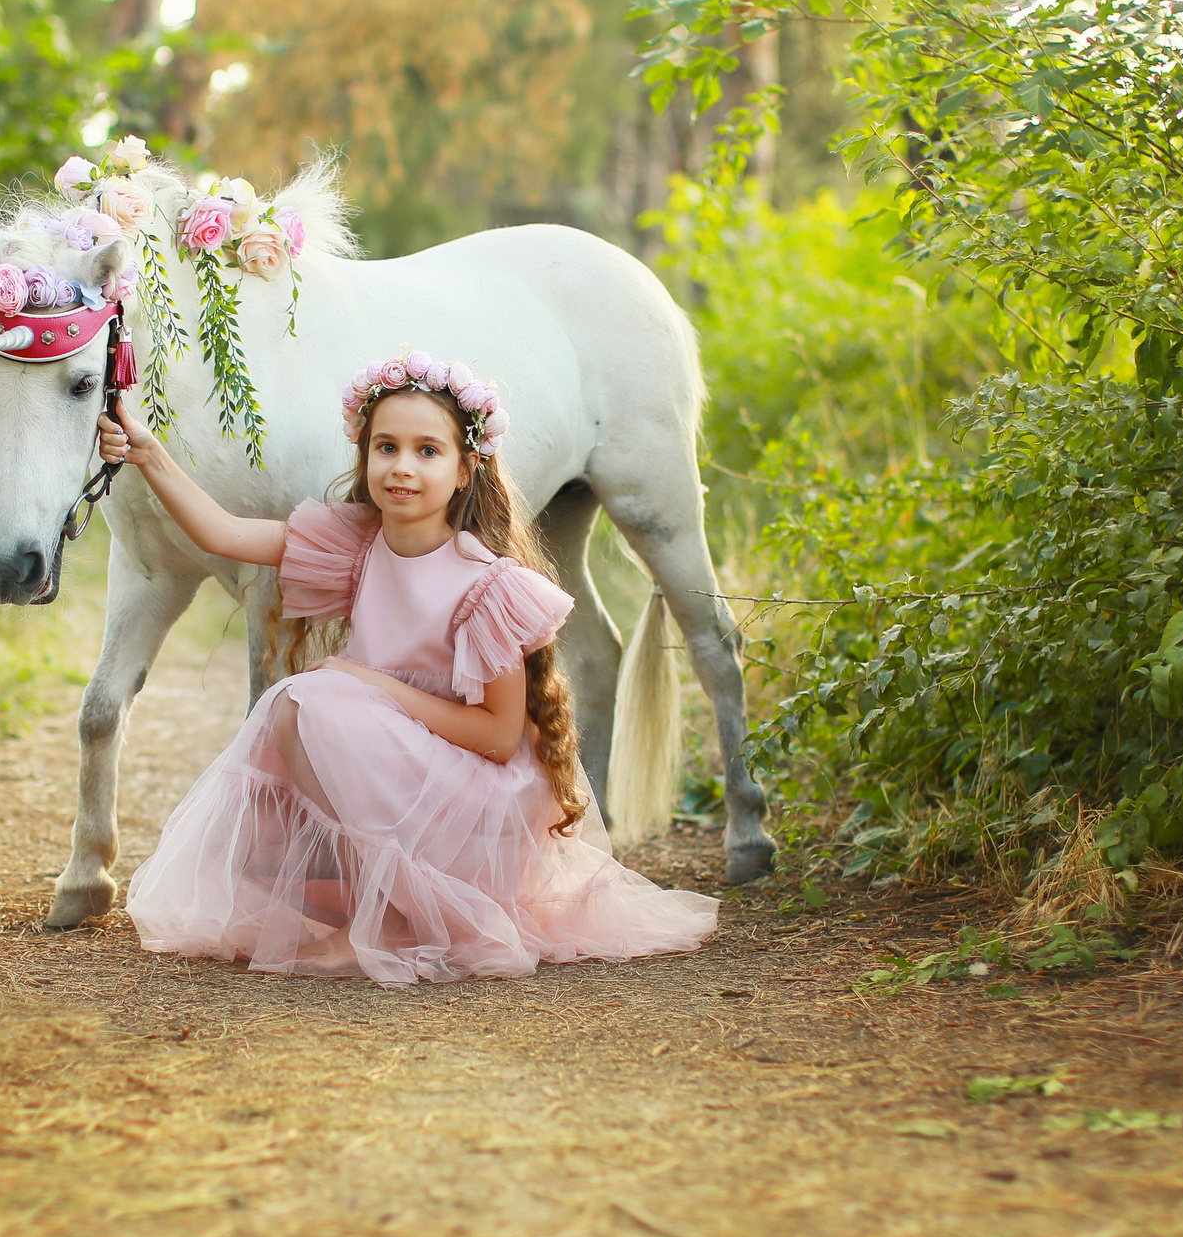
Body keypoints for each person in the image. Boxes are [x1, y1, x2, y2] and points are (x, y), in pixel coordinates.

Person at [98, 353, 721, 984]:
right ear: (365, 457)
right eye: (386, 447)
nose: (401, 466)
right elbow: (222, 533)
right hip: (401, 781)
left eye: (428, 451)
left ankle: (389, 924)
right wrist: (147, 452)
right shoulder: (358, 545)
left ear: (464, 471)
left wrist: (378, 687)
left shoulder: (487, 585)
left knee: (303, 701)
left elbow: (501, 738)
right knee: (255, 850)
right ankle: (397, 905)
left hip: (476, 806)